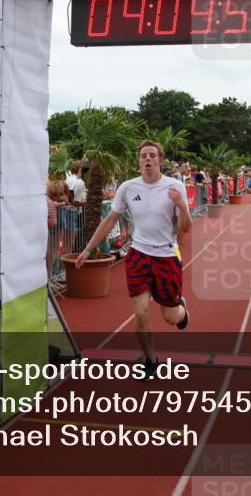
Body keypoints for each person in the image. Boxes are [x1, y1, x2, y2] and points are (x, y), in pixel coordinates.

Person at [75, 140, 192, 378]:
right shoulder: (128, 188)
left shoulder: (175, 186)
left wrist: (182, 206)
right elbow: (109, 220)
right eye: (143, 156)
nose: (147, 159)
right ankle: (150, 361)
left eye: (152, 155)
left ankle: (182, 309)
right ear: (139, 161)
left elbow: (185, 228)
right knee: (141, 311)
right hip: (138, 254)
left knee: (171, 318)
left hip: (167, 255)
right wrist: (88, 249)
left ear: (160, 160)